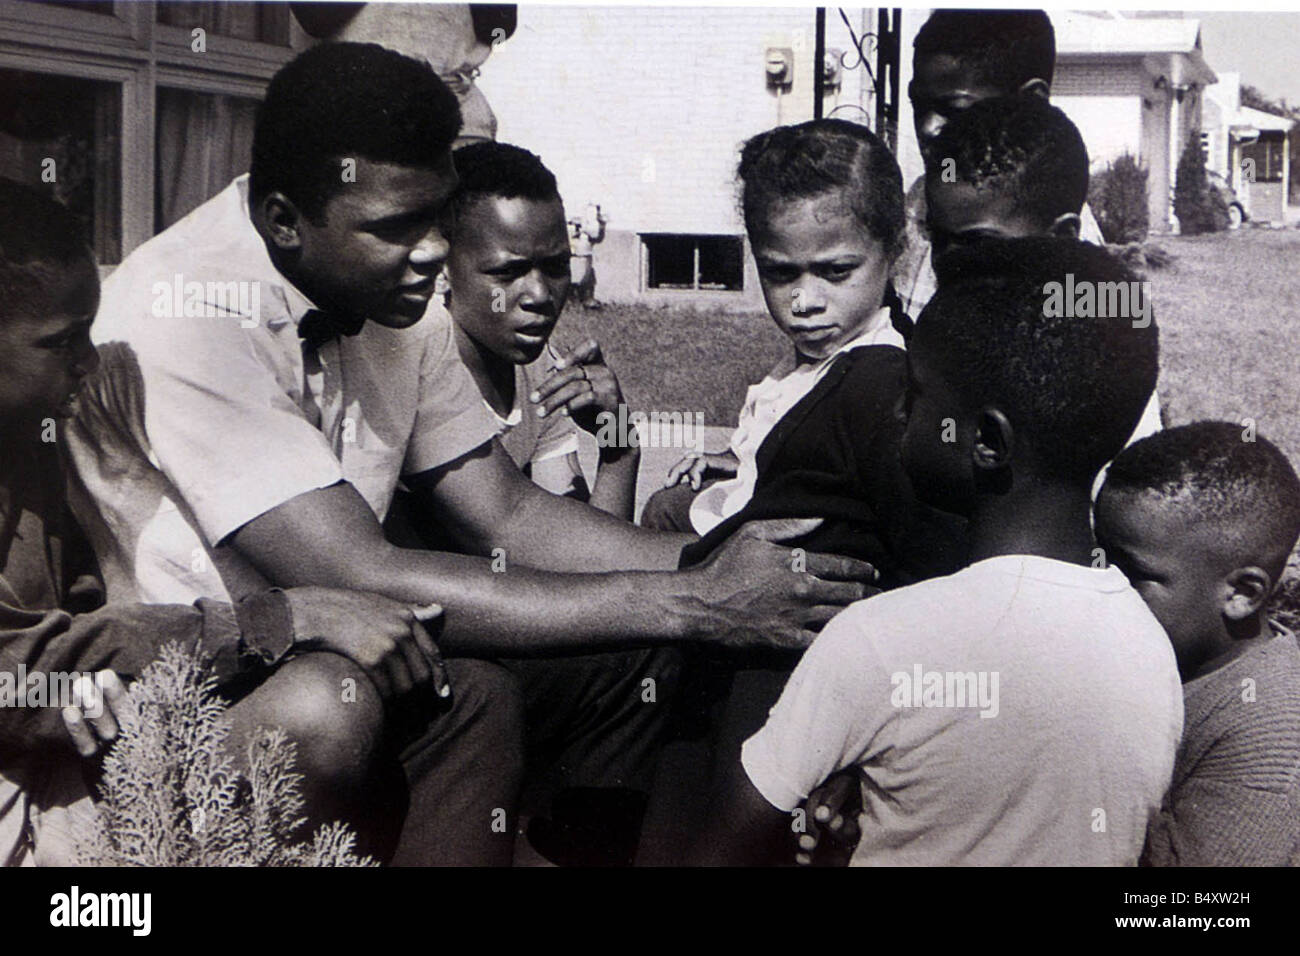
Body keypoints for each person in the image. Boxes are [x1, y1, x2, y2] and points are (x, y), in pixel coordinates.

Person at [64, 43, 873, 866]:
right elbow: (357, 572)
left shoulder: (388, 285)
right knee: (406, 696)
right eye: (396, 227)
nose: (429, 252)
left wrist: (727, 566)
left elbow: (507, 513)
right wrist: (699, 598)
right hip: (201, 688)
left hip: (363, 651)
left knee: (630, 656)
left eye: (436, 218)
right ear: (282, 220)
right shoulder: (189, 310)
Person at [0, 178, 507, 868]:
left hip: (72, 739)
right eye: (60, 343)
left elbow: (92, 617)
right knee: (323, 709)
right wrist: (279, 620)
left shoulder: (34, 433)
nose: (88, 361)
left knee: (465, 694)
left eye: (89, 334)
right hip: (24, 783)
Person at [693, 237, 1183, 866]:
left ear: (985, 441)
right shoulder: (1149, 649)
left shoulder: (877, 639)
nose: (898, 410)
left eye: (917, 393)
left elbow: (721, 847)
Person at [1095, 422, 1300, 866]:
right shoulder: (1154, 656)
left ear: (1242, 594)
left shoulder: (1272, 741)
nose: (1100, 584)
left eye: (1132, 574)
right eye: (1098, 558)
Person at [924, 94, 1163, 450]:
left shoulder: (1097, 363)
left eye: (979, 244)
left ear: (1063, 237)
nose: (949, 261)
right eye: (938, 239)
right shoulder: (938, 340)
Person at [440, 142, 636, 518]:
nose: (541, 295)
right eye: (507, 272)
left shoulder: (541, 370)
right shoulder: (413, 365)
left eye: (556, 266)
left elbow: (586, 552)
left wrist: (619, 446)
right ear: (443, 266)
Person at [895, 9, 1105, 318]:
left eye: (954, 108)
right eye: (919, 105)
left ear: (1030, 100)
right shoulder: (920, 197)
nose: (928, 128)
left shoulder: (1058, 238)